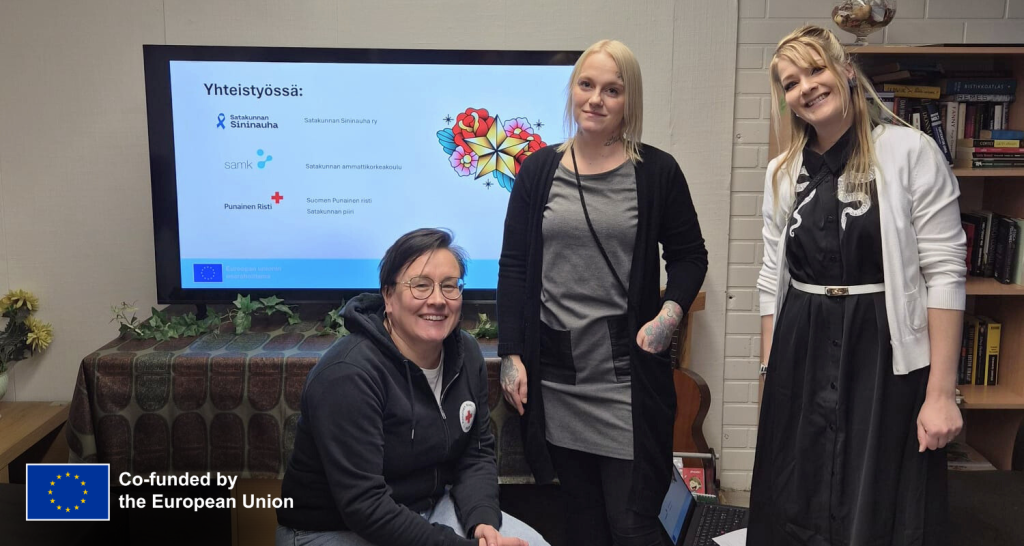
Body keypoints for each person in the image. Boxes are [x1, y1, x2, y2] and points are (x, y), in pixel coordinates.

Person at [750, 24, 966, 545]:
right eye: (791, 81)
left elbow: (945, 272)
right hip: (799, 349)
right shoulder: (783, 171)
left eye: (816, 69)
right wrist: (769, 370)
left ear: (847, 71)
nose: (806, 87)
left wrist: (941, 393)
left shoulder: (910, 153)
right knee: (795, 495)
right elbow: (769, 274)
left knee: (874, 502)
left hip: (881, 352)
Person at [497, 39, 708, 546]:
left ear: (628, 101)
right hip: (557, 377)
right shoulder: (537, 170)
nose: (595, 99)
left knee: (633, 523)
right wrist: (511, 353)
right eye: (586, 85)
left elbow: (689, 256)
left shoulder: (657, 172)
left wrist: (669, 316)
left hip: (625, 377)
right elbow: (515, 265)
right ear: (572, 91)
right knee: (583, 522)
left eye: (611, 90)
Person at [277, 228, 548, 546]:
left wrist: (483, 521)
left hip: (426, 509)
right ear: (388, 296)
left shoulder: (465, 353)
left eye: (450, 287)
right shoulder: (348, 374)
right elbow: (366, 507)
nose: (437, 300)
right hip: (331, 529)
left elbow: (475, 457)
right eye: (421, 286)